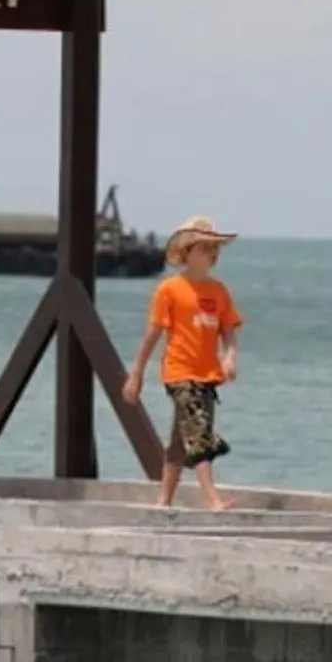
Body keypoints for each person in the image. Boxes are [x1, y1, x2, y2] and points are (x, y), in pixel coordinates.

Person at [122, 214, 242, 510]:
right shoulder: (169, 290)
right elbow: (151, 335)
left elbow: (228, 330)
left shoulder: (219, 291)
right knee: (198, 432)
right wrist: (136, 374)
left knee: (180, 441)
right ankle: (212, 500)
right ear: (187, 252)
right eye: (204, 248)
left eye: (215, 249)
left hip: (207, 375)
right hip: (180, 373)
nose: (212, 254)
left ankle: (164, 502)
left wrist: (230, 356)